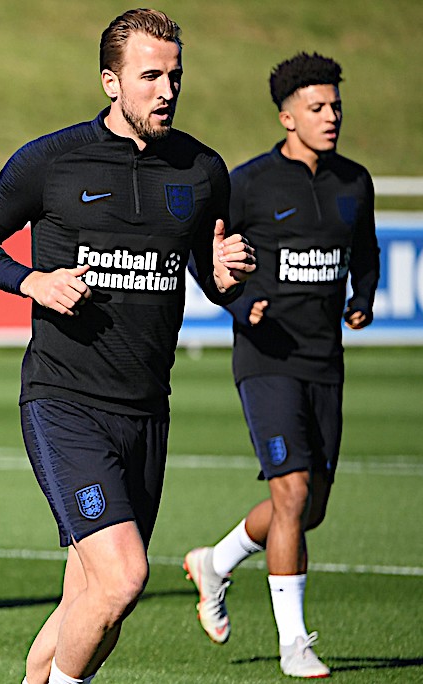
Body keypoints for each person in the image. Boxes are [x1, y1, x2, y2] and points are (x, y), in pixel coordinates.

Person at [0, 9, 255, 684]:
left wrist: (228, 276)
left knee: (92, 602)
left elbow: (210, 277)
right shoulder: (51, 161)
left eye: (175, 76)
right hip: (64, 402)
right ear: (111, 82)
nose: (167, 90)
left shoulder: (203, 169)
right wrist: (33, 281)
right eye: (150, 76)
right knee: (123, 579)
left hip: (146, 408)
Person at [183, 52, 379, 679]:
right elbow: (203, 254)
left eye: (336, 106)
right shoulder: (249, 183)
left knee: (307, 507)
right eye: (317, 108)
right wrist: (240, 305)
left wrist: (363, 298)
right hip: (265, 359)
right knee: (290, 493)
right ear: (287, 117)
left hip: (325, 362)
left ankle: (214, 561)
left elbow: (366, 252)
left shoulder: (355, 182)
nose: (331, 117)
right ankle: (294, 643)